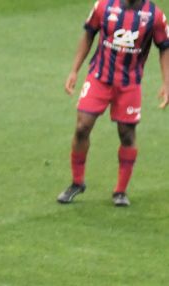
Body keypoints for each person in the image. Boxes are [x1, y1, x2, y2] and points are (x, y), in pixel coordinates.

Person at [58, 0, 169, 207]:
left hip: (129, 84)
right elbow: (88, 34)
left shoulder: (155, 16)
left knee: (127, 134)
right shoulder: (104, 6)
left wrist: (166, 83)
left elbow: (164, 47)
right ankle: (77, 182)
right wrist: (74, 70)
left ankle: (120, 191)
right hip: (99, 78)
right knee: (82, 127)